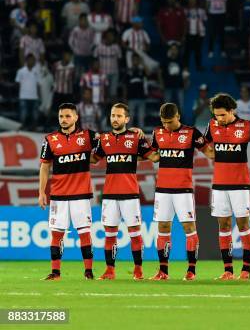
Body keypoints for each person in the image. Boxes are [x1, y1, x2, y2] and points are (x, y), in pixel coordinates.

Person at [92, 103, 157, 280]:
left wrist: (157, 139)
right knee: (110, 234)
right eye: (113, 115)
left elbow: (154, 156)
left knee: (135, 233)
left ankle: (138, 270)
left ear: (126, 119)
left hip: (130, 193)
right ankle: (110, 270)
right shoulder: (104, 139)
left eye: (119, 116)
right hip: (110, 194)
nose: (115, 119)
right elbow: (93, 159)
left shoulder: (136, 137)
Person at [203, 93, 250, 280]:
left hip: (240, 184)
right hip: (219, 184)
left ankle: (246, 270)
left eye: (222, 115)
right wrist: (211, 154)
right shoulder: (212, 126)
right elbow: (204, 146)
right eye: (216, 115)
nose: (218, 119)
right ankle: (228, 270)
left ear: (231, 111)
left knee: (243, 224)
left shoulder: (246, 126)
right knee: (224, 225)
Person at [148, 103, 208, 281]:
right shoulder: (157, 133)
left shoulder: (191, 133)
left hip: (183, 189)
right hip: (163, 189)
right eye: (164, 122)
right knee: (163, 227)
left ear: (178, 117)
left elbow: (209, 152)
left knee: (189, 228)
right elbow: (154, 156)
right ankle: (163, 271)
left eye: (170, 122)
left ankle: (191, 271)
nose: (167, 126)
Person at [38, 103, 98, 280]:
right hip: (59, 194)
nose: (64, 120)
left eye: (67, 116)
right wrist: (42, 192)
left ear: (76, 117)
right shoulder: (50, 139)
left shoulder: (88, 135)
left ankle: (88, 271)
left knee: (84, 233)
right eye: (61, 117)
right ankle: (55, 272)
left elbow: (110, 140)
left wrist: (133, 131)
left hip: (81, 194)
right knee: (57, 234)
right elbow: (44, 167)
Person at [15, 53, 41, 129]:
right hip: (23, 96)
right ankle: (21, 129)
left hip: (34, 97)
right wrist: (20, 94)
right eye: (30, 60)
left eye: (33, 60)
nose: (32, 61)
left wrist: (39, 95)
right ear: (26, 61)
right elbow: (17, 83)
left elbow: (38, 84)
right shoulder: (21, 71)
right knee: (23, 115)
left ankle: (34, 129)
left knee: (35, 115)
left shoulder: (36, 71)